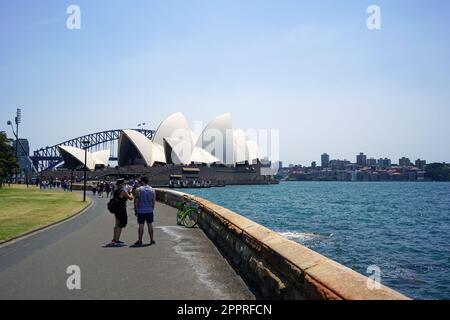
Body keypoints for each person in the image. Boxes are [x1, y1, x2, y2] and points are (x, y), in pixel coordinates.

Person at [109, 178, 133, 246]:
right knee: (121, 224)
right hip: (121, 209)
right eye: (124, 183)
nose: (125, 184)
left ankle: (114, 239)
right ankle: (116, 241)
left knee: (117, 224)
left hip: (116, 208)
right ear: (121, 184)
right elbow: (131, 198)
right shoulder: (123, 191)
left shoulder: (115, 190)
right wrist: (130, 191)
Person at [133, 176, 156, 246]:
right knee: (150, 225)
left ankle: (140, 240)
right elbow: (153, 201)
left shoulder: (138, 189)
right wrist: (152, 209)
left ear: (142, 181)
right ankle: (151, 240)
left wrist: (136, 210)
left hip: (141, 210)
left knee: (141, 225)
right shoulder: (152, 190)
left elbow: (136, 201)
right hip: (149, 210)